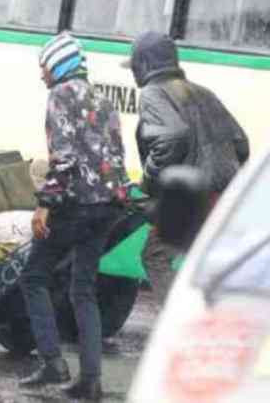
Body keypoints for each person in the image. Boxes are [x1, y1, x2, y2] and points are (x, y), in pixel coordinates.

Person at [18, 33, 128, 401]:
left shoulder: (61, 96)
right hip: (108, 205)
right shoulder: (104, 99)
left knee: (33, 277)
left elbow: (62, 160)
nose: (42, 76)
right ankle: (91, 379)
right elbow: (114, 157)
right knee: (83, 288)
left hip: (78, 204)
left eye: (44, 67)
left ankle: (52, 362)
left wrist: (44, 206)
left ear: (59, 65)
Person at [125, 31, 249, 307]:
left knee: (155, 256)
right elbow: (241, 143)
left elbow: (172, 137)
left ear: (143, 64)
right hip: (224, 193)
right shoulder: (203, 93)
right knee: (204, 256)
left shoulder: (153, 93)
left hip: (192, 196)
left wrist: (149, 183)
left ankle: (177, 319)